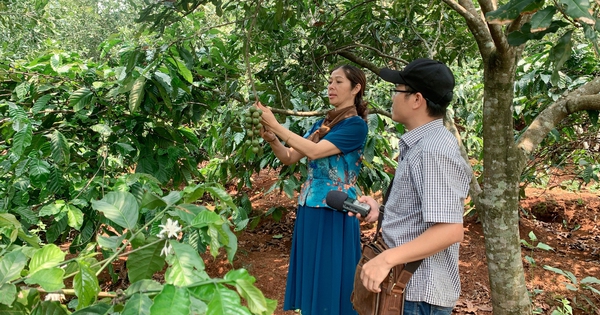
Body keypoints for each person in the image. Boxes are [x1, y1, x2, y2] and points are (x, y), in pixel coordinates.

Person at [255, 64, 376, 315]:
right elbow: (290, 156)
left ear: (356, 88)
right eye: (330, 81)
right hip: (311, 205)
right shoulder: (324, 123)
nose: (331, 86)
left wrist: (276, 125)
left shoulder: (355, 126)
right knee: (314, 272)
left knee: (332, 275)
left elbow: (315, 151)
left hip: (335, 208)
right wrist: (272, 138)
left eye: (339, 82)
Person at [355, 58, 471, 314]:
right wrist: (381, 210)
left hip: (417, 296)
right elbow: (422, 211)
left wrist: (386, 259)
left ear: (417, 100)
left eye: (397, 90)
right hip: (407, 290)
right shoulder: (422, 144)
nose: (392, 98)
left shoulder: (432, 150)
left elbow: (450, 230)